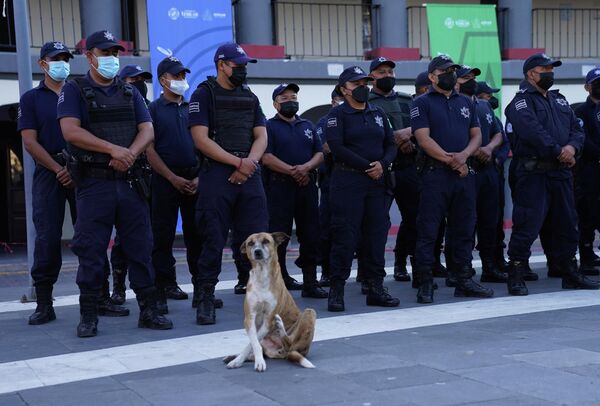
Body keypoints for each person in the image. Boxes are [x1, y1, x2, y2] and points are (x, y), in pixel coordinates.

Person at [58, 30, 173, 337]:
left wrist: (130, 154)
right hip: (95, 183)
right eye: (104, 52)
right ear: (89, 56)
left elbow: (147, 130)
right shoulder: (74, 90)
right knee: (91, 249)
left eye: (115, 53)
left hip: (130, 181)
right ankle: (89, 313)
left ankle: (148, 309)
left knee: (140, 247)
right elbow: (71, 132)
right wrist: (113, 150)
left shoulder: (129, 91)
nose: (110, 58)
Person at [504, 53, 599, 295]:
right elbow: (532, 132)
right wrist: (559, 151)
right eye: (544, 69)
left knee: (568, 224)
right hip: (535, 173)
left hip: (562, 173)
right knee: (528, 224)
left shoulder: (560, 101)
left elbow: (577, 129)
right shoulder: (521, 103)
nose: (549, 73)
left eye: (551, 69)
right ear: (530, 74)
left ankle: (569, 272)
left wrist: (571, 148)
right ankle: (516, 272)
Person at [189, 42, 268, 325]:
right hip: (217, 176)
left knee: (256, 242)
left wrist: (248, 164)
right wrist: (237, 164)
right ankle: (206, 298)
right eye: (238, 65)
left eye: (245, 65)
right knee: (212, 240)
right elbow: (200, 139)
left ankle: (259, 299)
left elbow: (261, 136)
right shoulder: (204, 94)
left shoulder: (250, 96)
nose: (242, 70)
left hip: (249, 175)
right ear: (221, 65)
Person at [410, 55, 494, 304]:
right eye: (445, 71)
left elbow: (476, 135)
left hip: (463, 174)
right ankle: (425, 283)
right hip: (435, 174)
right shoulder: (421, 103)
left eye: (453, 71)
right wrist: (451, 161)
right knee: (428, 230)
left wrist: (464, 156)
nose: (451, 75)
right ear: (433, 76)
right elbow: (423, 139)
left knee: (464, 228)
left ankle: (463, 279)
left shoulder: (467, 102)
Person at [326, 65, 399, 312]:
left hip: (376, 184)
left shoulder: (377, 112)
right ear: (344, 89)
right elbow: (337, 148)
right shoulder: (338, 115)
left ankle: (376, 288)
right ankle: (336, 290)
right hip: (348, 183)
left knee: (376, 237)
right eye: (357, 84)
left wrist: (384, 164)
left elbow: (391, 143)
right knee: (345, 237)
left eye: (364, 83)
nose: (363, 87)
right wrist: (369, 166)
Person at [18, 41, 77, 325]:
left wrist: (73, 167)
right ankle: (44, 302)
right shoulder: (31, 98)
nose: (62, 63)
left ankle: (100, 296)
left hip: (83, 169)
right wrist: (57, 168)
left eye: (66, 58)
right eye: (56, 58)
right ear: (42, 63)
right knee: (47, 237)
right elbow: (29, 142)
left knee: (91, 235)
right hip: (48, 171)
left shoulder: (79, 92)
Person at [146, 56, 204, 313]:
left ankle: (202, 288)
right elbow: (148, 149)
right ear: (163, 80)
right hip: (164, 180)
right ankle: (164, 286)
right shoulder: (153, 110)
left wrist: (198, 177)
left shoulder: (194, 108)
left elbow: (205, 144)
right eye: (176, 76)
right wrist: (171, 177)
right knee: (162, 236)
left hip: (195, 179)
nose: (181, 81)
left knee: (198, 236)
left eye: (183, 76)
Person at [263, 83, 327, 298]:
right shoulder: (268, 127)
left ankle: (310, 282)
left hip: (306, 186)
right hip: (279, 187)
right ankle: (278, 281)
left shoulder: (307, 125)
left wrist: (306, 168)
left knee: (310, 234)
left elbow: (319, 153)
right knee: (278, 236)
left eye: (293, 97)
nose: (290, 101)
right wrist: (293, 171)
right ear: (275, 104)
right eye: (284, 99)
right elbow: (266, 157)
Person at [456, 67, 506, 284]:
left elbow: (498, 133)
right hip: (465, 170)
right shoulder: (453, 105)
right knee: (464, 222)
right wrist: (474, 150)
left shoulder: (484, 105)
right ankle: (460, 270)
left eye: (473, 78)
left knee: (490, 221)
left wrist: (489, 149)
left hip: (488, 171)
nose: (471, 81)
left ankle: (489, 266)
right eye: (466, 77)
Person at [367, 57, 414, 284]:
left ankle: (401, 263)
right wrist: (395, 141)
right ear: (372, 76)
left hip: (408, 168)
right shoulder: (365, 101)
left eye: (390, 72)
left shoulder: (408, 100)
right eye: (381, 72)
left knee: (413, 219)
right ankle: (370, 272)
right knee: (375, 223)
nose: (387, 75)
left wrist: (409, 134)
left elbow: (422, 125)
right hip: (379, 170)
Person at [315, 88, 344, 287]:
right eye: (339, 99)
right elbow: (324, 148)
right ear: (333, 101)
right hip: (330, 182)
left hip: (353, 182)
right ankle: (326, 271)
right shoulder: (324, 122)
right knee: (327, 229)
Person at [574, 67, 600, 275]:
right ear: (587, 87)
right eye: (597, 82)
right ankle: (586, 255)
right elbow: (583, 140)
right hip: (590, 170)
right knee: (588, 214)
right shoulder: (581, 112)